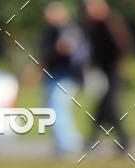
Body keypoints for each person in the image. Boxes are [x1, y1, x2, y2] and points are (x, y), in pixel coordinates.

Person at [80, 0, 133, 151]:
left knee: (109, 107)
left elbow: (123, 45)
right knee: (103, 107)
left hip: (114, 72)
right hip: (103, 72)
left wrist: (121, 65)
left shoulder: (109, 22)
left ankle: (122, 141)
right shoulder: (94, 25)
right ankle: (96, 140)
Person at [39, 2, 88, 155]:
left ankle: (69, 144)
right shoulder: (51, 31)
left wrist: (57, 49)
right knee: (52, 109)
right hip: (53, 74)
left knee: (57, 107)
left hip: (66, 75)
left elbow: (68, 48)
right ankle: (64, 143)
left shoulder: (69, 28)